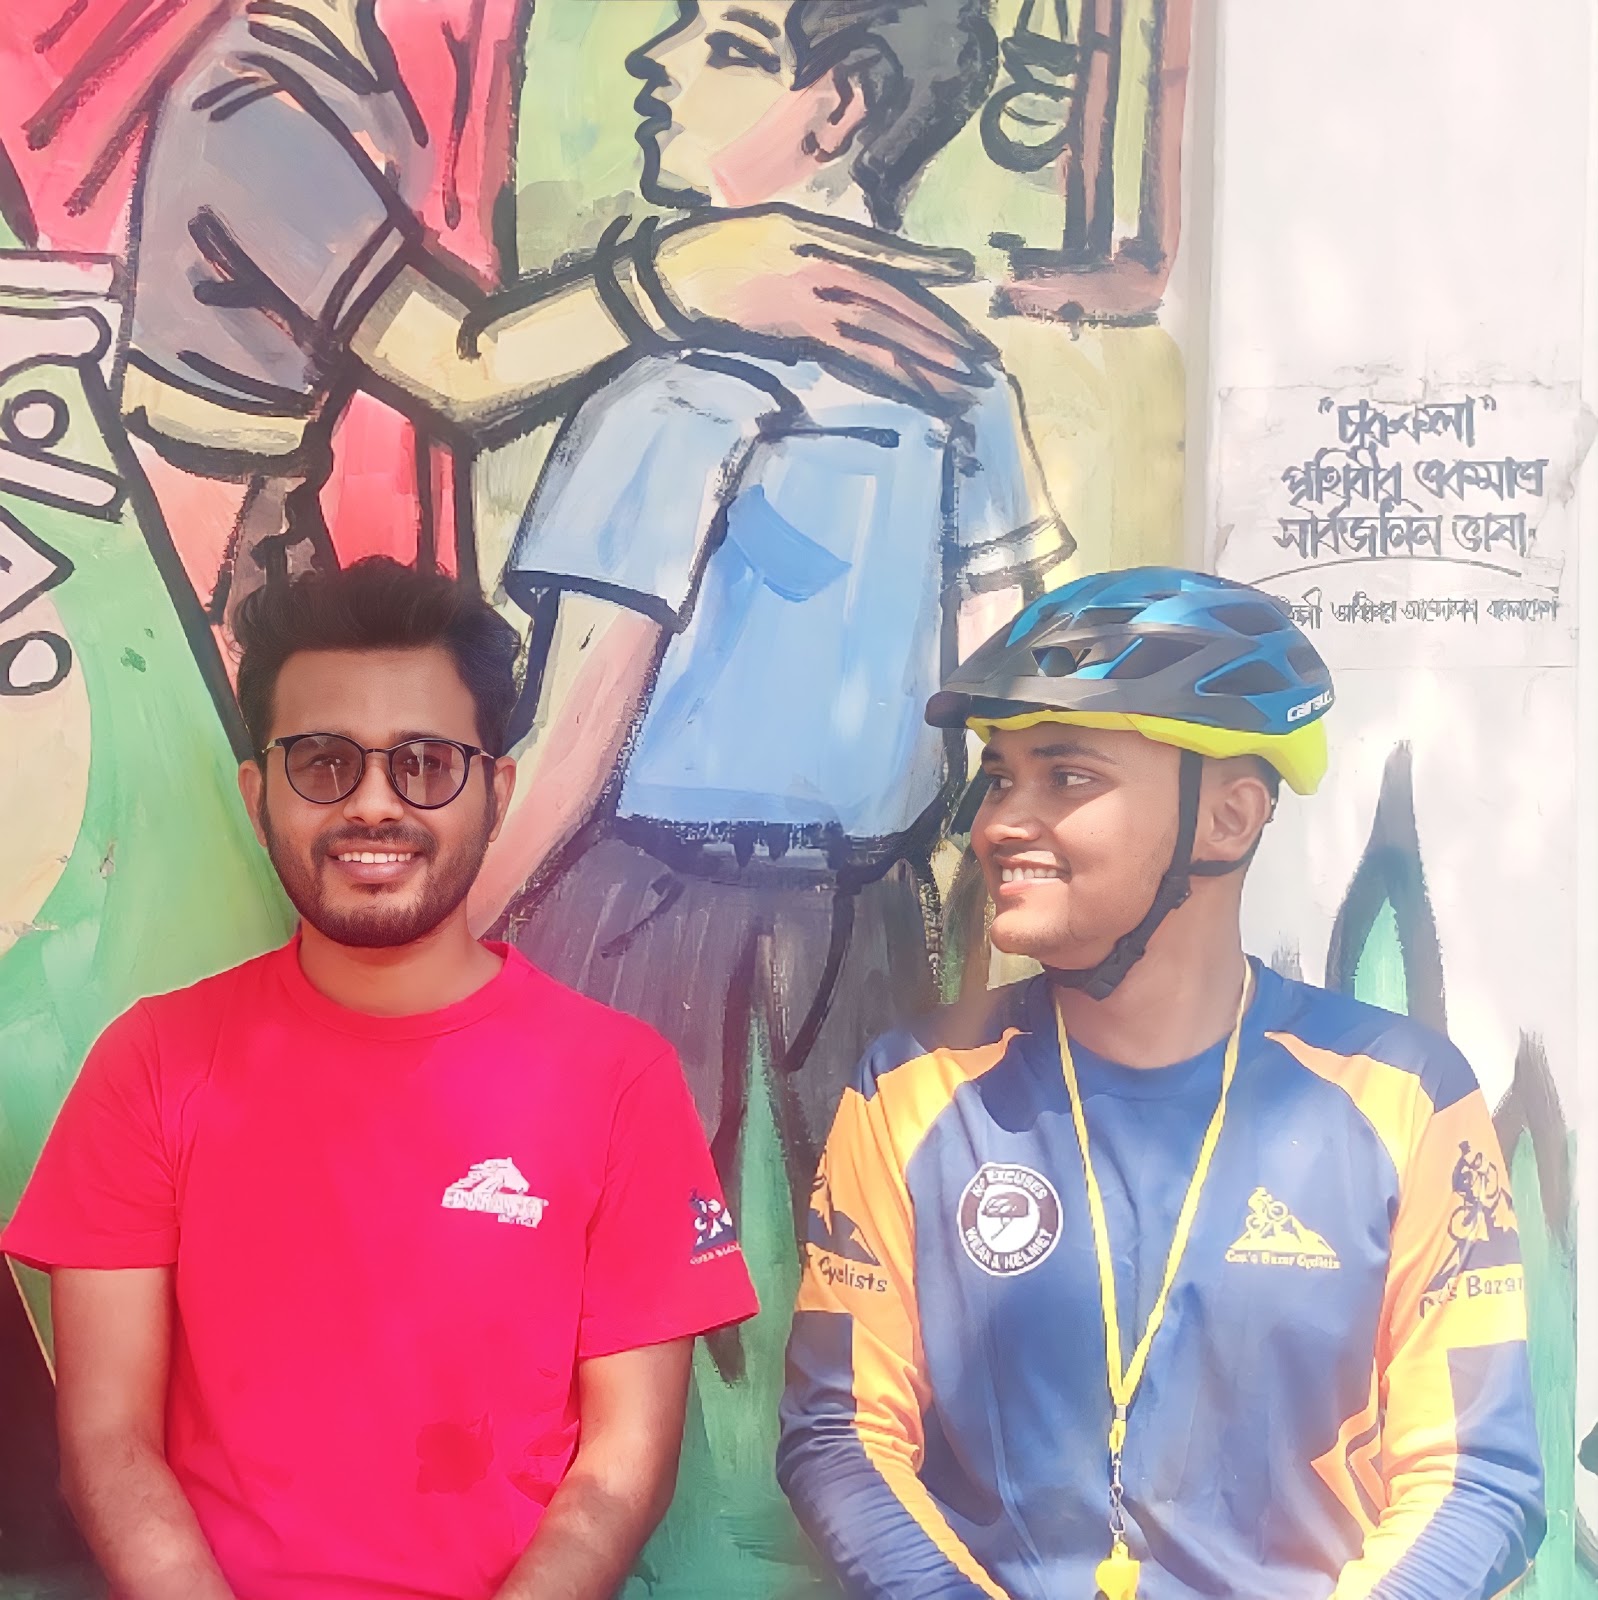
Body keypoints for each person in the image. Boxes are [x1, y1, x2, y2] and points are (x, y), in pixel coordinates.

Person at [777, 567, 1545, 1599]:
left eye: (1066, 776)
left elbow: (1474, 1477)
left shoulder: (1403, 1097)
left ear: (1227, 818)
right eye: (998, 778)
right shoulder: (910, 1090)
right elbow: (840, 1434)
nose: (998, 823)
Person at [1, 559, 758, 1600]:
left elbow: (623, 1466)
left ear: (495, 792)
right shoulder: (153, 1063)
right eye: (322, 762)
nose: (371, 804)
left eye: (425, 763)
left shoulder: (619, 1079)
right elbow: (108, 1444)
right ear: (258, 795)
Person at [476, 0, 1064, 1224]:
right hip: (873, 918)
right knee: (854, 1260)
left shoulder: (676, 387)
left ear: (838, 106)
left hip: (639, 913)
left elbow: (576, 730)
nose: (655, 61)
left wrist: (444, 953)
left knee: (632, 1264)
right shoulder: (965, 386)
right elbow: (1004, 705)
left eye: (728, 44)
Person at [113, 0, 991, 625]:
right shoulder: (245, 99)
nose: (657, 58)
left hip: (268, 540)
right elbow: (457, 366)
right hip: (178, 547)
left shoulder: (385, 68)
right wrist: (691, 271)